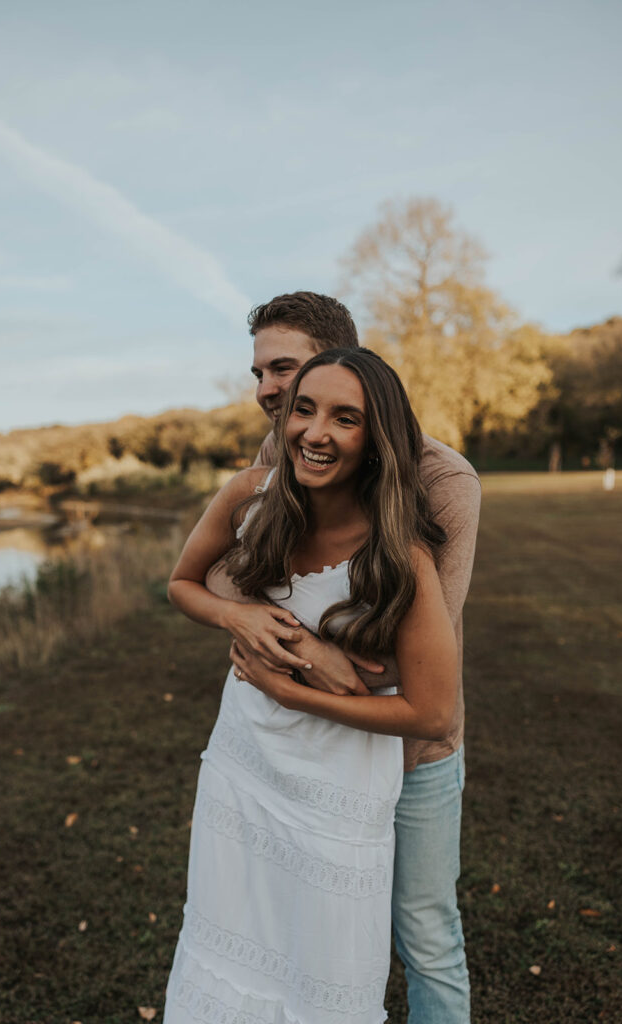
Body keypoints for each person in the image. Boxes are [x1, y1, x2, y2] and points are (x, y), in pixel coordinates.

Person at [163, 348, 458, 1023]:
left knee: (325, 963)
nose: (313, 432)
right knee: (228, 937)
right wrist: (234, 612)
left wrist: (300, 694)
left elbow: (433, 712)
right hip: (243, 765)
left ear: (375, 438)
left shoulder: (399, 554)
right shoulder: (248, 495)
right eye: (303, 409)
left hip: (339, 786)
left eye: (343, 418)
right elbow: (181, 584)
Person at [222, 292, 481, 1024]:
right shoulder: (277, 456)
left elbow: (401, 660)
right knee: (301, 931)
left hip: (409, 757)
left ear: (345, 365)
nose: (269, 391)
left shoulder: (443, 481)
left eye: (283, 369)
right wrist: (270, 629)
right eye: (262, 376)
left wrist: (287, 658)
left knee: (424, 933)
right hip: (301, 761)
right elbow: (226, 572)